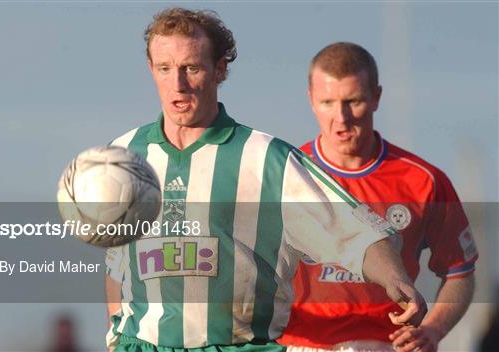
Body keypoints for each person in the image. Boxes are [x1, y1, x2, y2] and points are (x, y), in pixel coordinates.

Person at [105, 10, 426, 352]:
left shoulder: (266, 158)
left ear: (220, 69)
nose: (178, 83)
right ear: (151, 69)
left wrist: (396, 278)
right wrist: (115, 335)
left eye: (192, 68)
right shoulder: (123, 155)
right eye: (165, 68)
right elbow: (117, 264)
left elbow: (350, 228)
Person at [278, 42, 478, 352]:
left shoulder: (423, 181)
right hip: (303, 344)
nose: (341, 118)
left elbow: (459, 272)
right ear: (311, 101)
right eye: (328, 102)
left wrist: (434, 330)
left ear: (376, 97)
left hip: (387, 345)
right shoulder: (285, 176)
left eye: (353, 101)